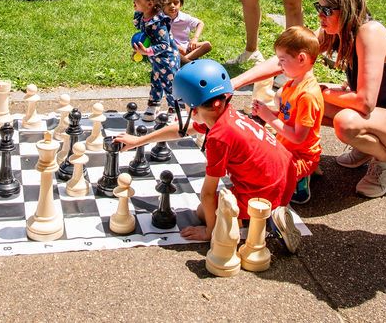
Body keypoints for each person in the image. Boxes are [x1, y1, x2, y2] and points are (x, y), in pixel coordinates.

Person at [235, 0, 386, 199]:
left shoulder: (370, 33)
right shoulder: (336, 31)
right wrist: (235, 83)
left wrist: (320, 91)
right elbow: (286, 57)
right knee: (299, 97)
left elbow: (365, 103)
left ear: (346, 9)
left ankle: (385, 161)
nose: (320, 15)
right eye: (319, 7)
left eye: (327, 10)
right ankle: (367, 146)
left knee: (344, 121)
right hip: (378, 114)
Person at [116, 59, 302, 253]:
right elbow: (183, 129)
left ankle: (266, 218)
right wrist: (138, 141)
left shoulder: (218, 138)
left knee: (203, 212)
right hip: (287, 179)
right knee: (219, 202)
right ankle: (275, 209)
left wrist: (210, 231)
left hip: (266, 191)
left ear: (193, 108)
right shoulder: (224, 114)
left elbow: (207, 193)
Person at [250, 26, 323, 205]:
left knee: (264, 179)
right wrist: (266, 112)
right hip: (285, 147)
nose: (279, 65)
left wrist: (269, 117)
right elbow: (287, 116)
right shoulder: (293, 83)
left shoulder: (307, 95)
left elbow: (298, 137)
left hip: (301, 157)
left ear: (301, 58)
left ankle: (300, 180)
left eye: (282, 60)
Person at [131, 0, 180, 122]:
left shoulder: (159, 23)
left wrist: (147, 52)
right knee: (156, 81)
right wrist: (139, 50)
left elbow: (164, 45)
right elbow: (145, 38)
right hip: (156, 59)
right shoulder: (143, 16)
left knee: (170, 86)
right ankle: (154, 105)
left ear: (150, 3)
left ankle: (175, 109)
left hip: (167, 60)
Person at [164, 0, 211, 64]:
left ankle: (182, 60)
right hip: (170, 46)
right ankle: (188, 61)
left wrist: (195, 39)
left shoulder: (184, 18)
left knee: (207, 45)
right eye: (168, 3)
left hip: (187, 47)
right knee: (177, 48)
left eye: (176, 3)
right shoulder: (159, 18)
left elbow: (200, 23)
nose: (172, 6)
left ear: (181, 4)